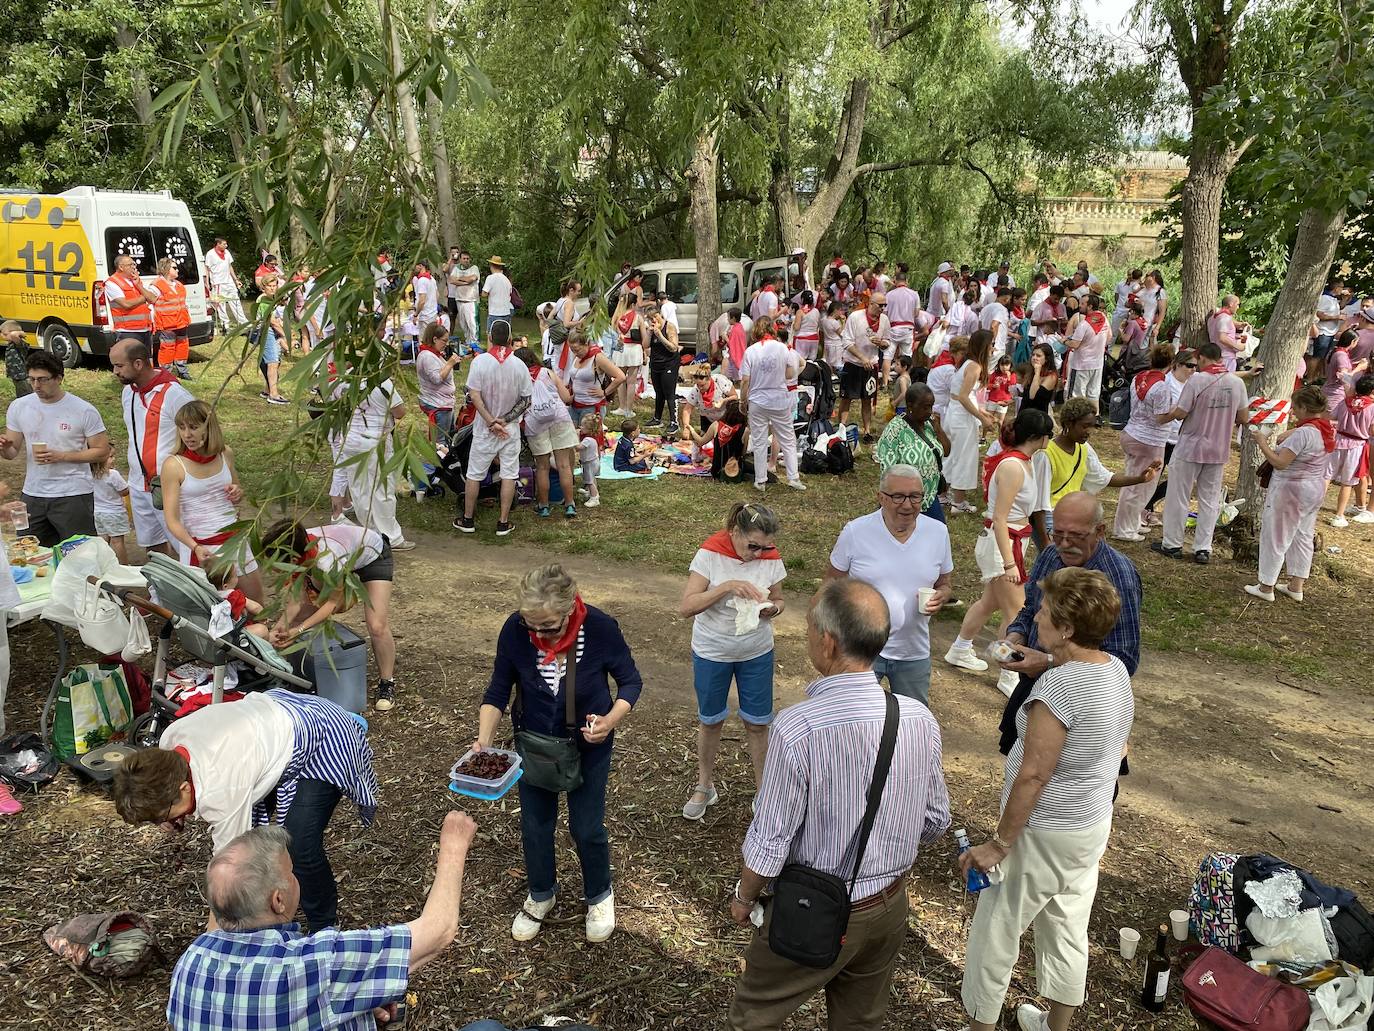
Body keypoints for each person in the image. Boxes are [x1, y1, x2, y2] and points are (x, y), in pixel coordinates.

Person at [726, 577, 950, 1031]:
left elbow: (770, 842)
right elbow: (935, 819)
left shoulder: (797, 728)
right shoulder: (916, 717)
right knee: (859, 1020)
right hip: (890, 904)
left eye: (809, 627)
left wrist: (744, 897)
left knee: (754, 1014)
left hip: (815, 906)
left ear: (827, 643)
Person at [959, 567, 1134, 1031]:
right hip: (1089, 825)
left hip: (1044, 831)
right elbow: (1116, 743)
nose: (1035, 615)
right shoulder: (1113, 670)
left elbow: (1034, 774)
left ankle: (979, 1023)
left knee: (996, 930)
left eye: (1045, 611)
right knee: (1067, 924)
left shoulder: (1059, 688)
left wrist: (999, 843)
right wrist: (1046, 663)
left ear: (1068, 628)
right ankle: (1055, 1025)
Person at [165, 812, 477, 1031]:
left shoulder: (189, 965)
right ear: (278, 900)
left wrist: (357, 1006)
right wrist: (454, 845)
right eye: (291, 871)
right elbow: (438, 931)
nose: (296, 876)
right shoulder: (314, 965)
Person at [113, 689, 380, 931]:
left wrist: (213, 939)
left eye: (165, 814)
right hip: (271, 723)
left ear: (184, 788)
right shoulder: (170, 741)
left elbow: (228, 869)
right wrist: (168, 812)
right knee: (266, 842)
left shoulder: (221, 790)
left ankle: (324, 926)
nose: (166, 821)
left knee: (299, 844)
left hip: (322, 735)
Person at [475, 564, 643, 943]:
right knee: (535, 825)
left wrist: (610, 720)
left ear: (570, 610)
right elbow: (498, 689)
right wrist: (483, 740)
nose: (538, 635)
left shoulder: (599, 628)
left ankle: (599, 894)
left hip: (588, 745)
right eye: (530, 625)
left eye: (548, 627)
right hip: (533, 743)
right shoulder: (516, 631)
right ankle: (540, 893)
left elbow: (630, 681)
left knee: (587, 826)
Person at [994, 491, 1141, 752]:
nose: (1064, 544)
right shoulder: (1051, 555)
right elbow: (1030, 609)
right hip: (1036, 686)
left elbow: (1124, 660)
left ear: (1100, 531)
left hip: (1086, 702)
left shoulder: (1119, 577)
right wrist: (1015, 636)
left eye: (1075, 536)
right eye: (1057, 533)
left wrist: (1049, 662)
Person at [679, 503, 786, 820]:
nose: (758, 553)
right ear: (734, 532)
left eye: (764, 547)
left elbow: (779, 599)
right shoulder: (710, 554)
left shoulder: (771, 556)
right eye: (752, 545)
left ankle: (763, 791)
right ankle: (704, 785)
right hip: (713, 651)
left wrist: (772, 609)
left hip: (756, 651)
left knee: (757, 723)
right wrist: (725, 586)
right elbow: (686, 607)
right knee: (711, 721)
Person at [945, 408, 1055, 692]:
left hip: (1011, 542)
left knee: (990, 603)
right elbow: (1000, 517)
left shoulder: (1025, 462)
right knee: (1016, 611)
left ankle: (960, 648)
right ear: (1037, 437)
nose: (1049, 440)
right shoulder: (1012, 466)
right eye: (1048, 435)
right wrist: (1009, 564)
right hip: (1003, 544)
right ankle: (1009, 674)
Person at [827, 465, 953, 706]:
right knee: (856, 719)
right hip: (861, 651)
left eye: (915, 496)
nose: (907, 505)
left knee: (911, 724)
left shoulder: (938, 532)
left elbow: (945, 583)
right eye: (898, 496)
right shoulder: (856, 532)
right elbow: (831, 584)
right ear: (881, 497)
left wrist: (941, 596)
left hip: (913, 652)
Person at [262, 519, 398, 711]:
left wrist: (297, 629)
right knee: (305, 613)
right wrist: (282, 624)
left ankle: (387, 682)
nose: (271, 570)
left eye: (274, 565)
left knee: (377, 625)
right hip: (347, 554)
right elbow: (296, 599)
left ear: (292, 560)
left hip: (373, 554)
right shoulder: (298, 544)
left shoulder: (327, 559)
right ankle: (309, 672)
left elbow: (332, 604)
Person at [1151, 341, 1249, 565]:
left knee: (1178, 495)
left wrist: (1167, 415)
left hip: (1191, 446)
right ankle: (1203, 548)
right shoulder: (1236, 383)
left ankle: (1172, 543)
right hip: (1218, 448)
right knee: (1210, 499)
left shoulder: (1197, 380)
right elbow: (1243, 418)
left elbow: (1181, 412)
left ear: (1203, 358)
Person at [0, 351, 109, 546]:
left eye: (42, 379)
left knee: (79, 554)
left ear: (59, 378)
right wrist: (4, 448)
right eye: (32, 379)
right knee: (31, 551)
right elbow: (11, 452)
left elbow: (102, 451)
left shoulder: (83, 410)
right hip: (33, 493)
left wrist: (62, 456)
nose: (36, 386)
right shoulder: (19, 406)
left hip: (73, 493)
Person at [160, 401, 262, 601]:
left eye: (194, 427)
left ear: (209, 427)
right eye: (182, 427)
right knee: (214, 613)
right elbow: (171, 520)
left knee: (256, 603)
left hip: (235, 541)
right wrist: (195, 548)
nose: (187, 434)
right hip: (203, 548)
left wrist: (236, 493)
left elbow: (236, 491)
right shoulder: (173, 465)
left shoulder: (225, 454)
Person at [1244, 386, 1334, 604]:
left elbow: (1280, 463)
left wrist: (1262, 443)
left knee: (1276, 536)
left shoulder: (1304, 433)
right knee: (1303, 535)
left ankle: (1266, 585)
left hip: (1290, 490)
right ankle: (1296, 585)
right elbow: (1288, 437)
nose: (1293, 411)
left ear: (1304, 407)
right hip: (1314, 489)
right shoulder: (1325, 429)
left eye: (1295, 407)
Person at [1031, 397, 1160, 546]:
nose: (1088, 432)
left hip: (1072, 515)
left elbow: (1105, 478)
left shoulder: (1084, 449)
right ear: (1068, 424)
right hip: (1050, 518)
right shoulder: (1045, 455)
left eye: (1091, 427)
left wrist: (1140, 478)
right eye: (1084, 426)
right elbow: (1038, 506)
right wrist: (1045, 541)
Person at [111, 337, 195, 556]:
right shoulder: (129, 391)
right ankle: (161, 588)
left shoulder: (174, 394)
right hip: (138, 484)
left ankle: (200, 587)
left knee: (185, 547)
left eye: (119, 366)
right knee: (153, 545)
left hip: (167, 486)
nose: (115, 371)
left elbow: (200, 433)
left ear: (138, 364)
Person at [456, 322, 532, 537]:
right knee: (509, 474)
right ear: (510, 340)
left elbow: (475, 395)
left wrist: (491, 421)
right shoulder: (519, 366)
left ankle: (468, 519)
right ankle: (503, 522)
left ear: (490, 337)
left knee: (474, 474)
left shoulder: (480, 362)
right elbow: (526, 400)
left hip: (485, 429)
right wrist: (505, 420)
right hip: (510, 429)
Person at [335, 366, 414, 550]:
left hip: (351, 439)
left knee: (359, 488)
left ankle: (369, 533)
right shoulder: (382, 383)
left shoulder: (346, 380)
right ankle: (391, 537)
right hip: (375, 441)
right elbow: (399, 411)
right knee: (382, 489)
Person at [1112, 345, 1177, 541]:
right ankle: (1124, 529)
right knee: (1140, 485)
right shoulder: (1162, 387)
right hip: (1149, 440)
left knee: (1135, 483)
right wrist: (1178, 412)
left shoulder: (1138, 378)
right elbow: (1160, 417)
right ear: (1171, 363)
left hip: (1132, 432)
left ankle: (1131, 524)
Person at [739, 320, 805, 493]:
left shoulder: (750, 351)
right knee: (788, 439)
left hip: (758, 400)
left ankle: (760, 479)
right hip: (779, 399)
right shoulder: (782, 348)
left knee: (760, 440)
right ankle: (793, 477)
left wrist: (742, 401)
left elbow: (745, 380)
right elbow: (791, 373)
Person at [515, 346, 579, 519]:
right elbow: (566, 397)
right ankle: (570, 504)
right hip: (558, 417)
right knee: (564, 465)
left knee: (542, 467)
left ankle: (543, 506)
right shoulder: (548, 372)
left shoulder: (518, 378)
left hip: (535, 423)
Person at [876, 383, 950, 521]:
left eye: (931, 406)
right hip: (905, 500)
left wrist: (938, 429)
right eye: (925, 407)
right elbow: (886, 469)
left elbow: (946, 452)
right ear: (910, 406)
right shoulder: (895, 429)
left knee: (938, 534)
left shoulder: (930, 425)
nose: (929, 411)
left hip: (929, 496)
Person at [945, 329, 999, 514]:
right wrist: (982, 418)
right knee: (964, 458)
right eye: (992, 344)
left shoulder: (966, 363)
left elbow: (963, 395)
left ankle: (944, 495)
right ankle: (958, 503)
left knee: (952, 455)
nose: (994, 348)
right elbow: (963, 397)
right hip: (961, 417)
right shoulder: (974, 366)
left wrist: (982, 411)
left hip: (954, 413)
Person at [837, 292, 892, 443]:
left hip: (871, 365)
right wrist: (862, 357)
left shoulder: (884, 320)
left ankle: (867, 432)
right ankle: (841, 429)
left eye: (885, 305)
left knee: (867, 399)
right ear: (871, 304)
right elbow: (846, 342)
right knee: (846, 398)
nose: (883, 308)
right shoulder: (855, 317)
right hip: (853, 363)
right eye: (880, 305)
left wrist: (882, 343)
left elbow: (888, 341)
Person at [1327, 374, 1374, 527]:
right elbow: (1372, 429)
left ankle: (1310, 508)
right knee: (1347, 483)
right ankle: (1339, 516)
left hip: (1339, 440)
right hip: (1357, 445)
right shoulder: (1372, 407)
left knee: (1326, 476)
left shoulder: (1345, 401)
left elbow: (1332, 416)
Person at [416, 322, 462, 443]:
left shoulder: (433, 354)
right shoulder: (427, 356)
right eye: (444, 340)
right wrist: (450, 363)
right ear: (435, 339)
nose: (446, 344)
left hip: (444, 402)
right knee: (441, 442)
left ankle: (446, 459)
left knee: (448, 437)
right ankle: (439, 461)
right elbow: (436, 379)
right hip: (437, 403)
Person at [1063, 294, 1109, 412]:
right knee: (1093, 393)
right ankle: (1095, 416)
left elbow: (1074, 344)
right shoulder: (1103, 317)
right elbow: (1109, 337)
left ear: (1090, 306)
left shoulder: (1084, 324)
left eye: (1083, 304)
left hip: (1081, 364)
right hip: (1098, 363)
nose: (1079, 306)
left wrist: (1064, 341)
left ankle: (1077, 418)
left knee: (1077, 394)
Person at [105, 253, 159, 351]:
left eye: (134, 264)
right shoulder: (112, 282)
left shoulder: (135, 280)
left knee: (145, 361)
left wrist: (138, 285)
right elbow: (126, 304)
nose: (134, 267)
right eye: (131, 265)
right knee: (131, 362)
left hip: (145, 328)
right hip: (127, 331)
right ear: (121, 267)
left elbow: (153, 299)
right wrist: (144, 297)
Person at [150, 258, 193, 379]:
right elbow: (150, 303)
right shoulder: (157, 285)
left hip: (181, 322)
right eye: (174, 267)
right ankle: (165, 373)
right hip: (168, 323)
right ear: (166, 269)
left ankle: (182, 370)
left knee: (182, 345)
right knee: (167, 348)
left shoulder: (179, 285)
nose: (177, 269)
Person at [254, 273, 289, 405]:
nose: (273, 288)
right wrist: (286, 336)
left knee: (269, 361)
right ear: (264, 287)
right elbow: (272, 322)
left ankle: (267, 389)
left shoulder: (270, 299)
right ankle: (273, 394)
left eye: (275, 286)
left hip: (269, 331)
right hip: (267, 331)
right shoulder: (264, 301)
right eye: (270, 286)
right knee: (273, 362)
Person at [645, 309, 682, 431]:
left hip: (669, 363)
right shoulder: (651, 329)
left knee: (669, 392)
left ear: (659, 315)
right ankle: (657, 418)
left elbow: (673, 348)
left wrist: (660, 336)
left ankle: (674, 422)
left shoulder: (669, 327)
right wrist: (650, 334)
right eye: (650, 319)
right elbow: (645, 345)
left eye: (655, 317)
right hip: (656, 364)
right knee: (658, 392)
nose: (653, 321)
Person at [91, 454, 132, 562]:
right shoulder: (113, 474)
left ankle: (104, 565)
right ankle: (123, 566)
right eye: (110, 456)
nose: (114, 459)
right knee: (117, 541)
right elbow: (124, 491)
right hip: (114, 513)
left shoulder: (90, 474)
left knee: (103, 541)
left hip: (98, 512)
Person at [445, 248, 481, 352]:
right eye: (464, 258)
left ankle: (475, 343)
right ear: (460, 259)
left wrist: (459, 280)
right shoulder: (456, 268)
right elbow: (451, 280)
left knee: (472, 323)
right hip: (459, 299)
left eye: (468, 258)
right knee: (463, 323)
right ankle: (468, 341)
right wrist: (465, 282)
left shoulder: (474, 268)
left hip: (471, 300)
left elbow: (473, 278)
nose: (466, 260)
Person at [1208, 294, 1246, 371]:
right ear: (1231, 304)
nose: (1238, 308)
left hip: (1215, 355)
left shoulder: (1212, 317)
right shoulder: (1225, 318)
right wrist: (1239, 347)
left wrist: (1236, 337)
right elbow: (1222, 338)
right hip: (1226, 357)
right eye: (1237, 304)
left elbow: (1217, 335)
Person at [2, 321, 31, 399]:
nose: (2, 336)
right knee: (20, 395)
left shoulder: (20, 344)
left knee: (26, 395)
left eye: (5, 334)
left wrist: (19, 332)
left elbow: (13, 335)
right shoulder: (11, 344)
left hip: (22, 377)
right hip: (16, 376)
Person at [1110, 268, 1142, 338]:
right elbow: (1116, 295)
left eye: (1132, 275)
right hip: (1120, 310)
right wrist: (1118, 305)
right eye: (1129, 275)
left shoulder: (1138, 286)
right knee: (1113, 331)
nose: (1130, 276)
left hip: (1132, 312)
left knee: (1131, 332)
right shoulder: (1120, 284)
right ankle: (1108, 348)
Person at [410, 260, 438, 330]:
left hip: (425, 316)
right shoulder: (432, 279)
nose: (413, 269)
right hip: (433, 313)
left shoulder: (422, 280)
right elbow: (437, 295)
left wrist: (416, 314)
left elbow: (422, 301)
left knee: (424, 339)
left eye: (415, 266)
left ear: (421, 266)